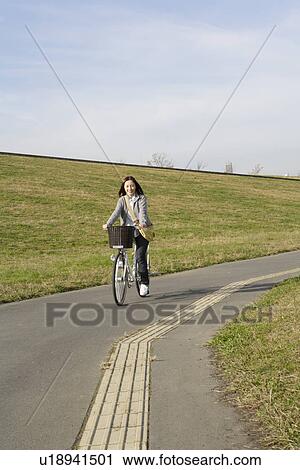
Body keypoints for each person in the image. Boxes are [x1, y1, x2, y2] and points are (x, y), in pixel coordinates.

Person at [103, 176, 152, 297]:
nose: (130, 188)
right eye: (127, 186)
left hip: (141, 230)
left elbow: (143, 213)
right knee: (121, 248)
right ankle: (122, 262)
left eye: (132, 186)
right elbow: (116, 213)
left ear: (135, 186)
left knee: (140, 256)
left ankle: (144, 284)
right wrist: (108, 224)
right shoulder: (122, 200)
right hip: (127, 230)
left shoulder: (141, 198)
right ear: (124, 188)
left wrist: (142, 223)